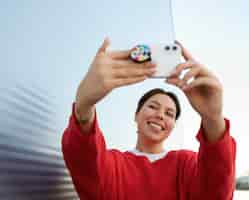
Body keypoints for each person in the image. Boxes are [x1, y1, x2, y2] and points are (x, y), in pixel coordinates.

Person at [62, 38, 236, 200]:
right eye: (153, 106)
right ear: (136, 115)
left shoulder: (186, 164)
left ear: (173, 125)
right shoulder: (113, 165)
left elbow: (216, 191)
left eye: (169, 113)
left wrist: (213, 119)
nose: (160, 115)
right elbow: (84, 161)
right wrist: (83, 107)